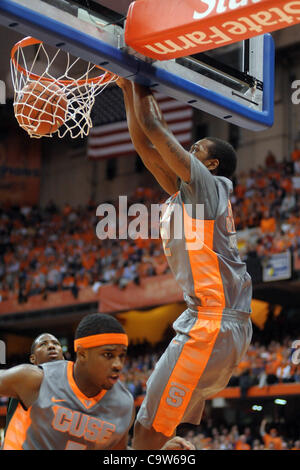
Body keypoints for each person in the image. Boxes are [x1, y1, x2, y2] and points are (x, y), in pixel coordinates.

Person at [117, 78, 253, 450]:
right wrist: (126, 88)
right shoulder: (187, 194)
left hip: (212, 325)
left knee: (144, 434)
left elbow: (155, 128)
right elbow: (145, 145)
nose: (186, 151)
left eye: (196, 148)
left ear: (210, 164)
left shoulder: (209, 186)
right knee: (157, 433)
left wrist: (138, 75)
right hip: (214, 322)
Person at [1, 313, 192, 450]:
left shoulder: (123, 404)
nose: (118, 364)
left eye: (122, 356)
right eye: (108, 355)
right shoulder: (33, 378)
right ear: (81, 354)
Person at [4, 332, 64, 435]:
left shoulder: (71, 381)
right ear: (33, 359)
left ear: (63, 357)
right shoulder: (25, 377)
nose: (51, 346)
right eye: (43, 344)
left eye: (56, 343)